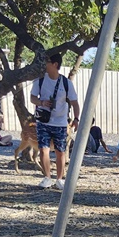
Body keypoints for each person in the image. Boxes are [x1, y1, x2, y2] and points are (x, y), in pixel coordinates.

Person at [30, 53, 80, 190]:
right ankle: (47, 177)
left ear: (55, 64)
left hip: (60, 123)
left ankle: (59, 179)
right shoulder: (39, 81)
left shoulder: (66, 83)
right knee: (43, 149)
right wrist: (41, 102)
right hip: (43, 122)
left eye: (47, 61)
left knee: (60, 152)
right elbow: (32, 98)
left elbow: (75, 103)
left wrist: (76, 119)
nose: (44, 64)